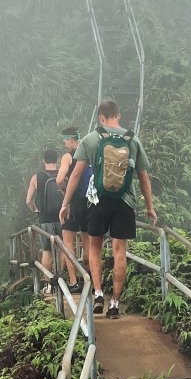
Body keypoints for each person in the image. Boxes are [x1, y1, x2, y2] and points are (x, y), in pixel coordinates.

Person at [60, 100, 156, 318]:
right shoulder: (133, 140)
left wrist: (65, 204)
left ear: (100, 118)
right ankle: (114, 304)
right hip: (125, 203)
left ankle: (99, 293)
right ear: (118, 115)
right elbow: (143, 176)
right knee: (119, 251)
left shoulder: (91, 139)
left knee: (94, 248)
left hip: (97, 201)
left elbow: (75, 175)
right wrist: (150, 207)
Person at [25, 148, 63, 294]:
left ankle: (48, 284)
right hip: (62, 217)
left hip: (45, 219)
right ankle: (59, 281)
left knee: (46, 251)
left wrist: (36, 210)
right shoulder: (62, 174)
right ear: (57, 159)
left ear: (43, 161)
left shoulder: (36, 177)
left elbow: (28, 200)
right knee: (62, 251)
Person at [57, 126, 89, 294]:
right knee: (88, 242)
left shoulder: (68, 157)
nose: (64, 143)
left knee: (68, 242)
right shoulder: (88, 154)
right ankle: (91, 281)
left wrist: (65, 194)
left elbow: (59, 179)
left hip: (73, 203)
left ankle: (74, 281)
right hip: (90, 203)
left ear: (71, 139)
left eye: (65, 140)